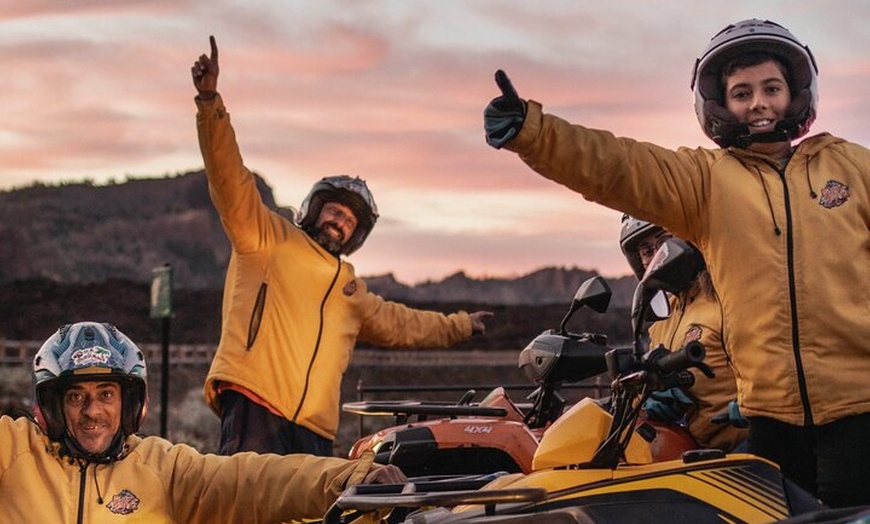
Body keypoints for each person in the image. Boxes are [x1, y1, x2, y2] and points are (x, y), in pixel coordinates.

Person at [484, 19, 870, 507]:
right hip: (769, 418)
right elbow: (619, 166)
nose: (758, 103)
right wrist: (535, 132)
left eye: (771, 88)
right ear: (720, 104)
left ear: (795, 92)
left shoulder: (851, 167)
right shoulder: (707, 182)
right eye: (742, 92)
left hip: (860, 410)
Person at [191, 36, 493, 457]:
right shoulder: (266, 237)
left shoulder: (351, 291)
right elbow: (229, 177)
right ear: (314, 210)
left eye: (350, 222)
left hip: (314, 427)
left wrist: (460, 325)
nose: (340, 223)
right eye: (335, 212)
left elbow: (402, 324)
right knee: (243, 505)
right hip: (255, 400)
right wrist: (210, 103)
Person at [0, 321, 404, 523]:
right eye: (76, 397)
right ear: (53, 407)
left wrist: (348, 480)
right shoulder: (15, 449)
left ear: (129, 403)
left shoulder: (163, 467)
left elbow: (252, 481)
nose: (92, 411)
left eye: (106, 394)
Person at [620, 215, 748, 453]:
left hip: (743, 447)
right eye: (647, 251)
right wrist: (647, 399)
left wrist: (750, 407)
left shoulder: (728, 297)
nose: (659, 254)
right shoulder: (662, 319)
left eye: (665, 240)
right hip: (692, 452)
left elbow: (773, 363)